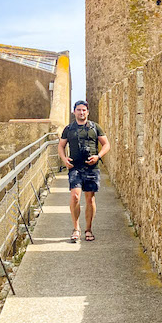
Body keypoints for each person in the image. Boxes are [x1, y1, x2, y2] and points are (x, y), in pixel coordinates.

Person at [58, 100, 110, 242]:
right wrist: (64, 159)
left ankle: (88, 229)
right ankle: (76, 229)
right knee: (75, 196)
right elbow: (61, 146)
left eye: (84, 110)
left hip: (92, 168)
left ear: (87, 112)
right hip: (75, 167)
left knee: (90, 198)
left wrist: (98, 156)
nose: (81, 112)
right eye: (79, 110)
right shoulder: (68, 129)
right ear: (74, 111)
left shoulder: (95, 127)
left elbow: (106, 144)